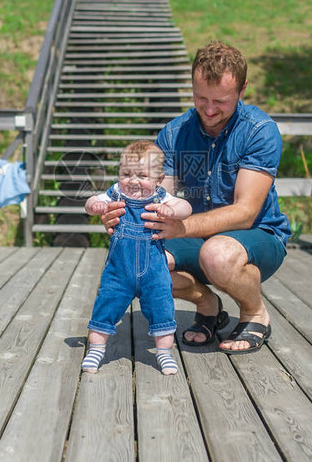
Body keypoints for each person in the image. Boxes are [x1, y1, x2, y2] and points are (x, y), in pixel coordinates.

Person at [101, 41, 291, 355]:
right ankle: (208, 306)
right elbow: (161, 200)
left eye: (221, 100)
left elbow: (245, 213)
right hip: (195, 237)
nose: (210, 108)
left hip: (257, 236)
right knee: (133, 261)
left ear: (242, 90)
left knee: (217, 254)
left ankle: (254, 312)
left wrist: (182, 228)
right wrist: (120, 214)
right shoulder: (174, 133)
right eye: (200, 97)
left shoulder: (259, 130)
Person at [81, 140, 193, 375]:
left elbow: (185, 207)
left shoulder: (161, 198)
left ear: (159, 180)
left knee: (162, 307)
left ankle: (164, 353)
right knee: (106, 305)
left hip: (154, 270)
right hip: (119, 270)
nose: (133, 181)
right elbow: (91, 201)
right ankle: (96, 348)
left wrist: (173, 212)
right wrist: (96, 206)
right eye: (126, 174)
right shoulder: (115, 192)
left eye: (142, 175)